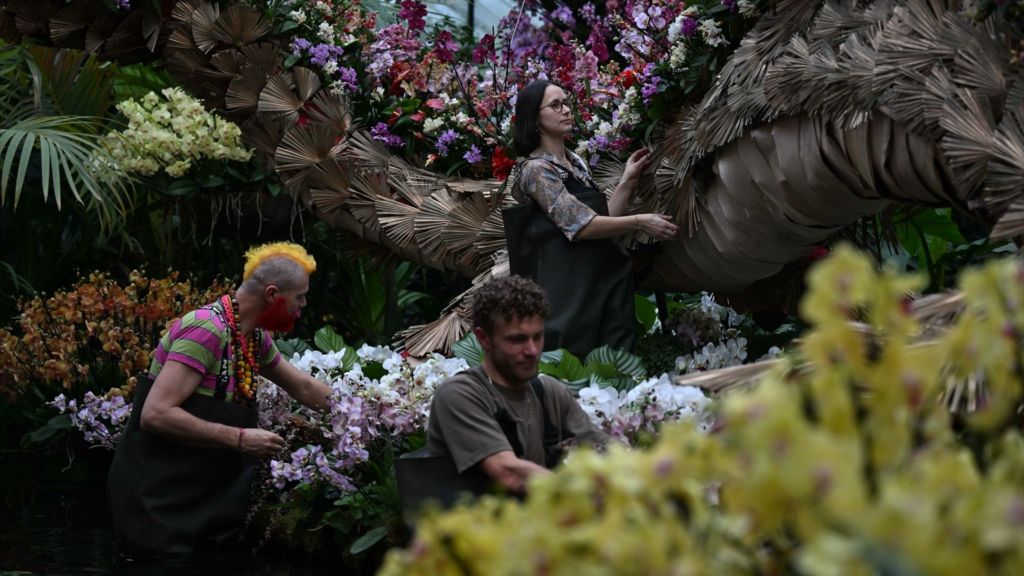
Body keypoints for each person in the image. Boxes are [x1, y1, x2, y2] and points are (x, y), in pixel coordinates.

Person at [107, 242, 334, 557]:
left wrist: (363, 413)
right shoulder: (205, 330)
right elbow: (156, 414)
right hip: (158, 501)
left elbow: (304, 388)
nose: (303, 305)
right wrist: (240, 438)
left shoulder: (252, 337)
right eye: (299, 296)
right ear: (272, 294)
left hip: (204, 500)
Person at [504, 79, 679, 357]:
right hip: (569, 293)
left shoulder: (575, 162)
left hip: (601, 283)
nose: (566, 110)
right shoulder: (536, 170)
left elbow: (601, 220)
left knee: (616, 363)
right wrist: (641, 221)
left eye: (566, 102)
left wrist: (627, 181)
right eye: (555, 105)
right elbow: (580, 226)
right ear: (535, 119)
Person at [425, 275, 609, 494]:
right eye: (517, 339)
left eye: (538, 336)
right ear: (483, 339)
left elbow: (610, 450)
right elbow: (509, 474)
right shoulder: (460, 395)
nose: (532, 351)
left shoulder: (548, 392)